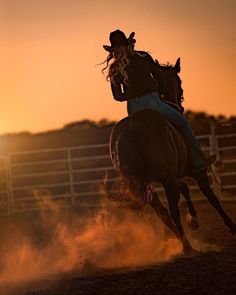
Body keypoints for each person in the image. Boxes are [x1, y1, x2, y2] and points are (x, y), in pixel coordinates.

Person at [101, 29, 215, 173]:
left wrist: (130, 95)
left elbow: (117, 96)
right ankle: (199, 161)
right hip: (152, 101)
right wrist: (157, 93)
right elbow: (159, 77)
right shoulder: (143, 57)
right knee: (183, 123)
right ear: (129, 44)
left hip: (133, 108)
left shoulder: (114, 68)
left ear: (112, 50)